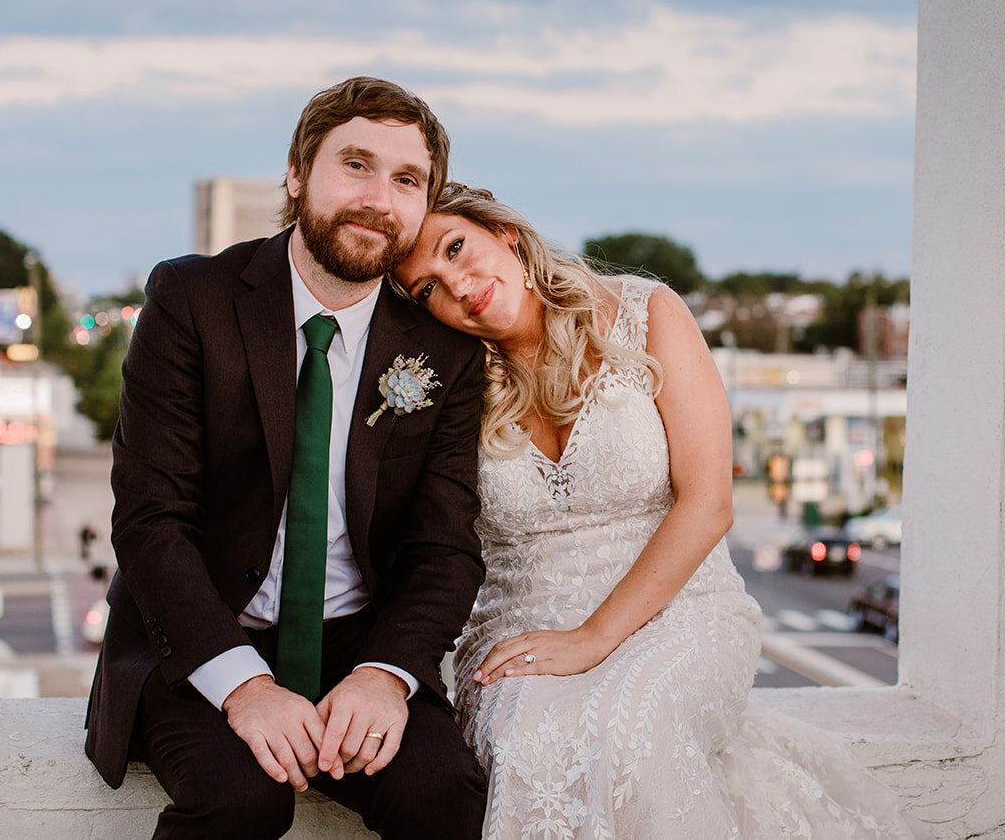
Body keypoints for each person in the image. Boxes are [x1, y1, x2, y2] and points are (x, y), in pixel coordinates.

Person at [391, 184, 922, 839]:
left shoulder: (649, 313)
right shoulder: (444, 380)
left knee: (635, 727)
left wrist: (592, 638)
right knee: (528, 743)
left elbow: (710, 502)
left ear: (503, 233)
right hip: (523, 621)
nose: (456, 284)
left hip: (685, 609)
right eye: (427, 289)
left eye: (456, 247)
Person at [84, 78, 488, 840]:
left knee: (445, 789)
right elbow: (150, 521)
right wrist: (243, 685)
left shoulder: (444, 349)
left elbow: (445, 548)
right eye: (356, 165)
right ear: (298, 173)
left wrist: (383, 675)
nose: (378, 197)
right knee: (242, 799)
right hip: (201, 635)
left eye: (406, 180)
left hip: (356, 641)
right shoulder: (191, 299)